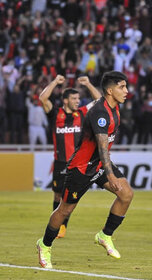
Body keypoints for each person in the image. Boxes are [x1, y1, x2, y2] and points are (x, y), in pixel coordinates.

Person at [36, 71, 134, 268]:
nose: (126, 91)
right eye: (122, 87)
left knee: (126, 194)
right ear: (109, 90)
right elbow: (102, 146)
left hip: (97, 164)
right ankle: (44, 245)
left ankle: (105, 235)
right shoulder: (99, 112)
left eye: (126, 86)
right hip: (80, 168)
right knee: (65, 209)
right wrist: (110, 174)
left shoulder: (113, 109)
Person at [38, 74, 101, 238]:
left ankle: (62, 226)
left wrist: (88, 84)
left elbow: (101, 101)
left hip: (77, 164)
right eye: (74, 98)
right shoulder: (55, 114)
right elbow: (43, 98)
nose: (77, 101)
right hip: (60, 163)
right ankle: (56, 225)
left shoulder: (81, 113)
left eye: (78, 98)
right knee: (57, 195)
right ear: (65, 100)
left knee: (69, 198)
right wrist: (54, 82)